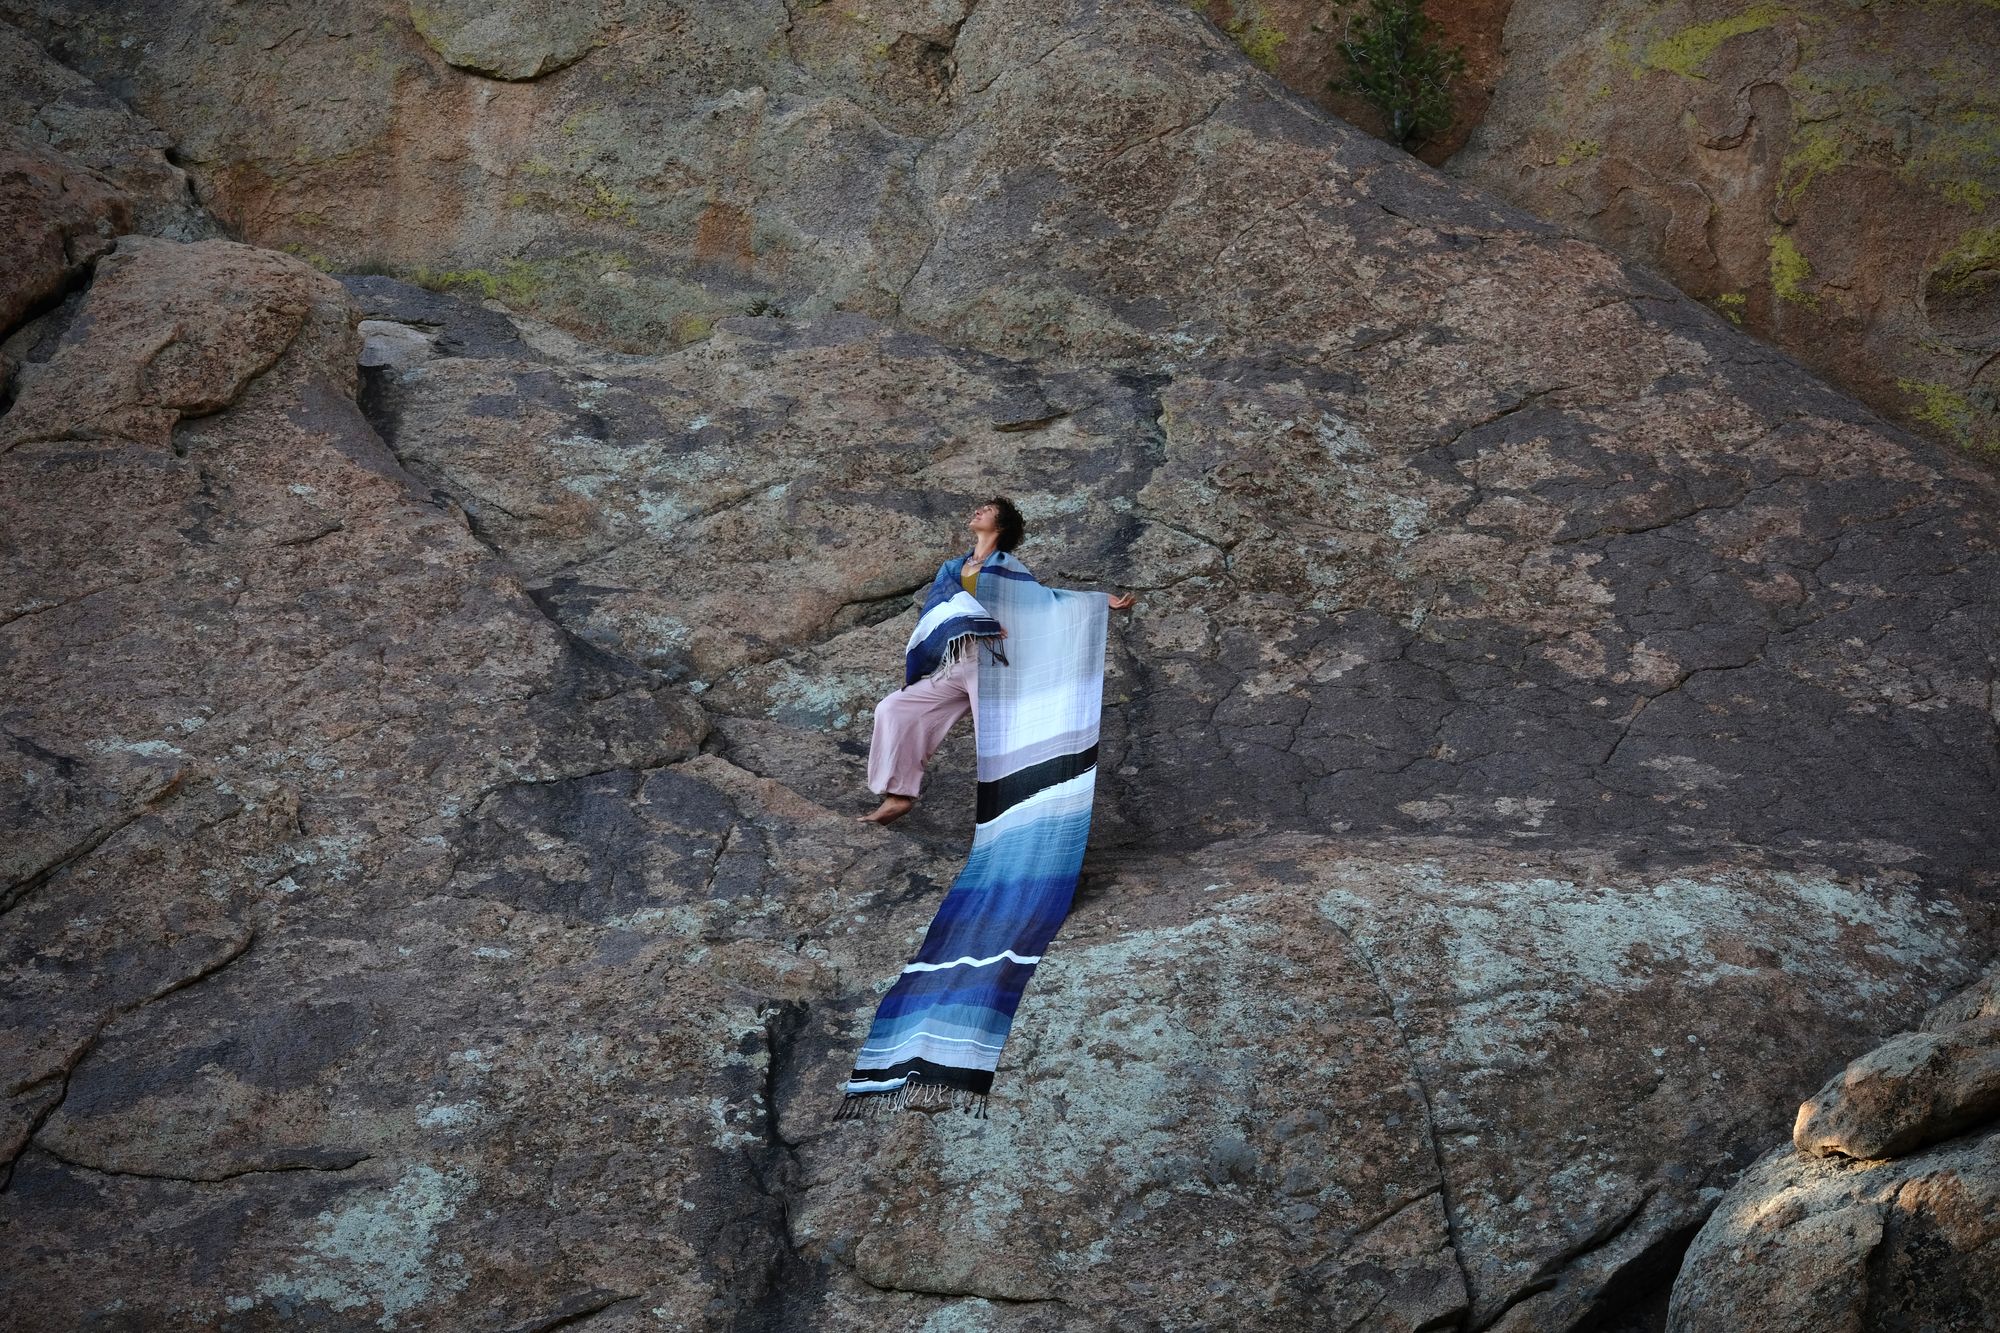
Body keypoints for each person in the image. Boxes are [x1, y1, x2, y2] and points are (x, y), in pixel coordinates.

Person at [858, 497, 1136, 824]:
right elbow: (939, 611)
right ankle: (899, 795)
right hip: (955, 660)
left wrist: (1098, 601)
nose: (978, 511)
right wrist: (978, 622)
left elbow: (1043, 601)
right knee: (893, 708)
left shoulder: (1007, 567)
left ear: (1000, 526)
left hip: (993, 665)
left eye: (987, 510)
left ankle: (1021, 820)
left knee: (999, 745)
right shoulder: (951, 569)